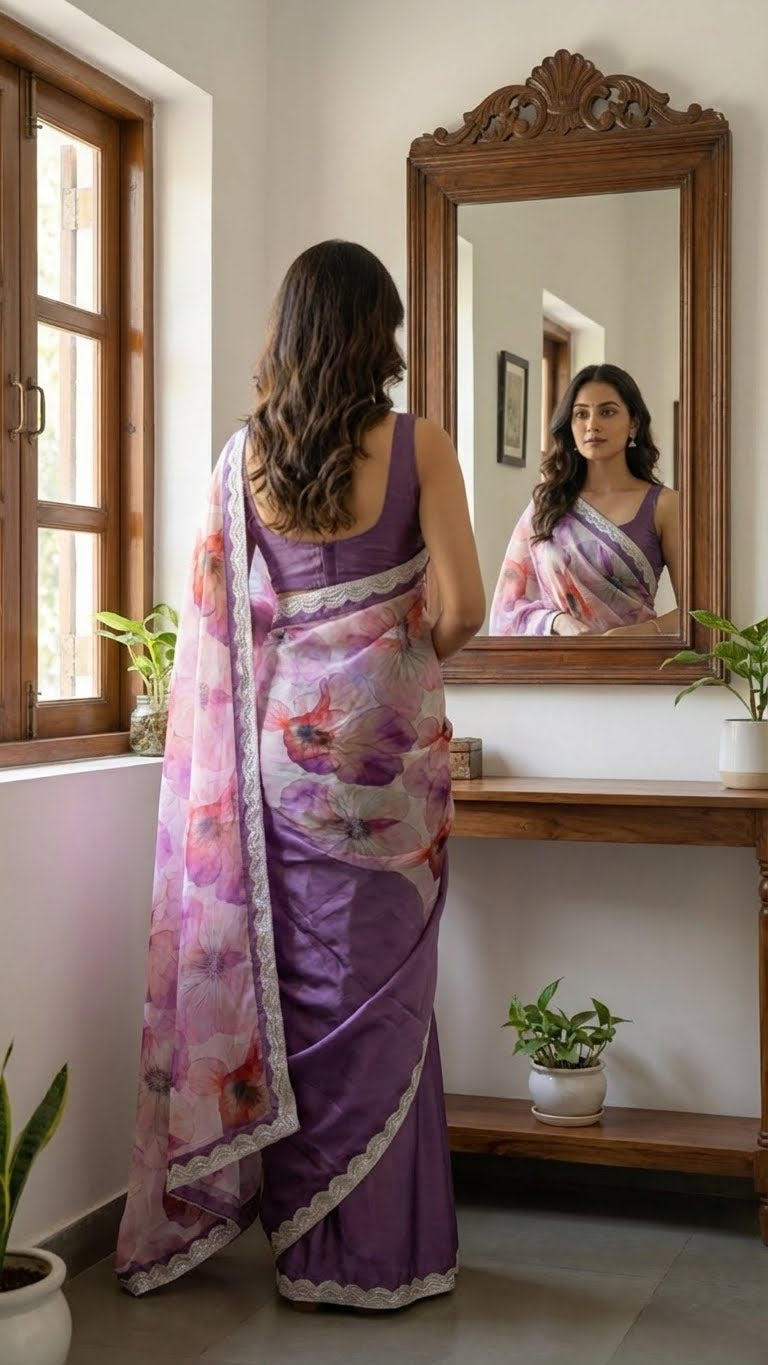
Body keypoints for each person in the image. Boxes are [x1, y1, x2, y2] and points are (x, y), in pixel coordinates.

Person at [115, 241, 485, 1309]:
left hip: (284, 757)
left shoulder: (245, 460)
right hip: (384, 769)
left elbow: (221, 625)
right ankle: (379, 1255)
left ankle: (305, 1252)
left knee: (299, 988)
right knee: (383, 993)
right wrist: (393, 655)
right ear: (378, 332)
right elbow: (464, 607)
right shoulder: (418, 444)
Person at [489, 364, 680, 637]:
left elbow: (700, 612)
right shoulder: (547, 504)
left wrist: (637, 634)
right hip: (555, 660)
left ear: (634, 424)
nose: (592, 425)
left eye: (607, 412)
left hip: (635, 660)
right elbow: (507, 607)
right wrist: (556, 622)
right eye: (581, 414)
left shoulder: (665, 506)